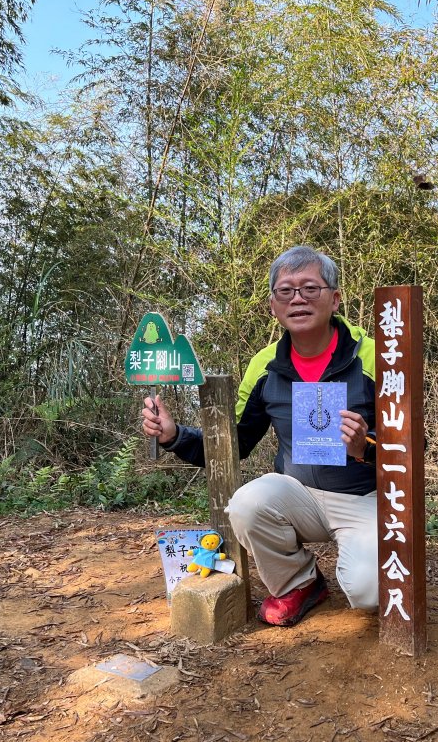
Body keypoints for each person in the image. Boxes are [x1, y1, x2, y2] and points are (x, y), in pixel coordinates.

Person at [141, 246, 378, 626]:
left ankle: (362, 570)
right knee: (248, 503)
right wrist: (173, 436)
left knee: (368, 592)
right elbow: (235, 443)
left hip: (365, 497)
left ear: (335, 299)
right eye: (286, 290)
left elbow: (413, 447)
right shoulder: (265, 366)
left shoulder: (375, 356)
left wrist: (364, 448)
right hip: (299, 494)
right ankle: (301, 583)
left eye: (310, 288)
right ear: (273, 305)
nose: (298, 298)